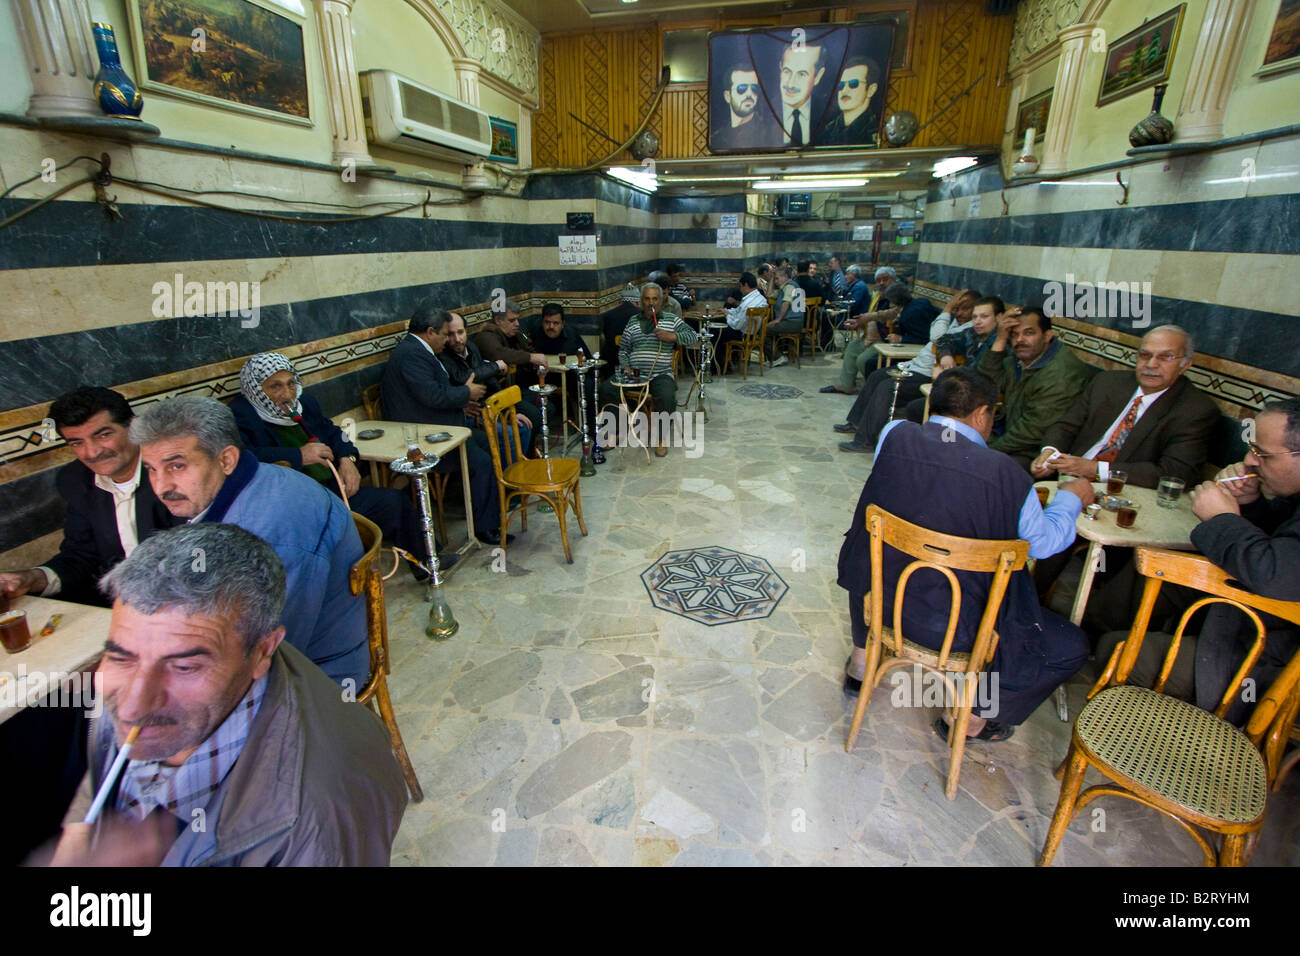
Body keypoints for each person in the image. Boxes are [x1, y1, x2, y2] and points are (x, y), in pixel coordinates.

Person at [48, 523, 407, 866]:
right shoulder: (205, 658)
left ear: (263, 652)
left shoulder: (314, 823)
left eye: (184, 667)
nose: (132, 704)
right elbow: (102, 775)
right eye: (121, 656)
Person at [838, 367, 1094, 740]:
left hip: (880, 600)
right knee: (1071, 645)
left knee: (871, 548)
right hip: (956, 627)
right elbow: (1043, 543)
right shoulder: (1007, 474)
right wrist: (1072, 498)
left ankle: (861, 666)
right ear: (981, 414)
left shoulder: (894, 435)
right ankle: (969, 718)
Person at [131, 396, 368, 688]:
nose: (161, 486)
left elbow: (266, 651)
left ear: (226, 459)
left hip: (316, 676)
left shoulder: (272, 534)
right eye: (151, 469)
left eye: (177, 466)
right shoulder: (241, 486)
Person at [1094, 399, 1300, 726]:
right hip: (1244, 615)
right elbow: (1278, 544)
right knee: (1149, 582)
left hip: (1268, 660)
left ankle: (1156, 750)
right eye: (1251, 448)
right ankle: (1089, 632)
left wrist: (1222, 518)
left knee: (1118, 653)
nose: (1249, 460)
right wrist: (1251, 504)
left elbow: (1274, 573)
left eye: (1263, 454)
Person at [228, 353, 456, 579]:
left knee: (393, 502)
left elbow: (336, 433)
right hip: (292, 506)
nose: (286, 394)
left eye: (290, 384)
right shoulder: (243, 415)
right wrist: (298, 455)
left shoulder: (303, 403)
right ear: (256, 389)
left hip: (332, 491)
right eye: (275, 387)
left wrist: (348, 460)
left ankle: (428, 562)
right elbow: (245, 458)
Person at [1, 387, 177, 606]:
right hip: (117, 606)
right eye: (77, 442)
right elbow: (80, 555)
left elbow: (200, 555)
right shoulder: (75, 480)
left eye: (103, 435)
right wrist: (30, 579)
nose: (92, 453)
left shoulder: (174, 470)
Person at [381, 301, 511, 546]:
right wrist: (466, 393)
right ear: (430, 332)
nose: (446, 340)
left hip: (443, 425)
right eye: (443, 334)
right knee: (482, 462)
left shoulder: (420, 352)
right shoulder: (411, 355)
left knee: (494, 441)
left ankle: (497, 503)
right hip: (424, 439)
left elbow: (432, 393)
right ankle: (485, 526)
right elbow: (433, 395)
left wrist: (461, 402)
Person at [1030, 325, 1216, 489]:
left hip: (1120, 493)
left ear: (1185, 365)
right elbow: (1066, 425)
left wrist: (1095, 469)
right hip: (1065, 477)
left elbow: (1174, 473)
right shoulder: (1108, 382)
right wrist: (1050, 452)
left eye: (1165, 357)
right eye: (1144, 355)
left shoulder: (1195, 410)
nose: (1151, 364)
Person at [835, 289, 978, 453]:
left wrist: (947, 309)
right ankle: (856, 423)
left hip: (927, 375)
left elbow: (937, 337)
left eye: (965, 309)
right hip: (915, 366)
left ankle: (865, 441)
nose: (959, 312)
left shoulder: (969, 328)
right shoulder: (956, 322)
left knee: (887, 387)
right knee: (876, 375)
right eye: (957, 308)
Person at [976, 306, 1098, 469]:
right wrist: (1000, 339)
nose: (1019, 340)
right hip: (1008, 435)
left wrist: (986, 451)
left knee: (978, 467)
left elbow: (1030, 432)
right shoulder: (1021, 359)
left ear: (1047, 336)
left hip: (1036, 453)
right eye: (1014, 334)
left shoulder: (1061, 374)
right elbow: (985, 385)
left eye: (1029, 333)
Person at [598, 282, 698, 457]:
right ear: (641, 301)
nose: (651, 303)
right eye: (647, 299)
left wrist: (672, 336)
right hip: (633, 375)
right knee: (607, 388)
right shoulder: (633, 321)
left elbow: (693, 336)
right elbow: (623, 350)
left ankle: (660, 438)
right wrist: (626, 366)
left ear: (661, 300)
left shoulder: (671, 319)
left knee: (667, 394)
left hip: (660, 374)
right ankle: (615, 432)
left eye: (655, 299)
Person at [441, 311, 536, 451]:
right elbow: (462, 377)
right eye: (450, 334)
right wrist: (495, 366)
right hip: (465, 413)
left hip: (485, 406)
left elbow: (490, 381)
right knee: (509, 433)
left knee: (523, 426)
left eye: (460, 332)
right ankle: (504, 472)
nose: (457, 339)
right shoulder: (443, 354)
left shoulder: (471, 347)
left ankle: (519, 467)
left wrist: (506, 411)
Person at [902, 294, 1002, 422]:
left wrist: (949, 378)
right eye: (975, 317)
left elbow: (982, 377)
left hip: (977, 398)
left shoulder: (1000, 344)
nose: (977, 321)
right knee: (915, 407)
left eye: (984, 317)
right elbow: (943, 339)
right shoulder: (972, 334)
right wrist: (945, 355)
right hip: (963, 389)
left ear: (999, 317)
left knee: (918, 408)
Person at [824, 279, 926, 396]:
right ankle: (846, 385)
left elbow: (923, 338)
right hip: (874, 337)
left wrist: (901, 339)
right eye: (878, 280)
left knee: (864, 361)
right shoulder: (897, 304)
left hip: (885, 341)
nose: (881, 283)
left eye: (885, 279)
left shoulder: (912, 311)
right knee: (853, 346)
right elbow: (883, 315)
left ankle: (872, 389)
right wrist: (862, 320)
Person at [474, 298, 548, 393]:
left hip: (521, 385)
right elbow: (500, 354)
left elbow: (528, 349)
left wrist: (536, 363)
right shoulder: (486, 337)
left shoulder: (514, 333)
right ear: (498, 320)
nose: (517, 324)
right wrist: (530, 357)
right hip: (499, 391)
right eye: (512, 320)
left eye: (517, 319)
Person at [815, 55, 881, 147]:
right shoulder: (826, 131)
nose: (844, 91)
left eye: (853, 84)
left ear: (871, 90)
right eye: (841, 85)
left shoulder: (878, 129)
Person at [712, 61, 776, 150]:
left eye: (754, 88)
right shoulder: (716, 139)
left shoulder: (769, 133)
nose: (749, 94)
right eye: (742, 88)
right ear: (727, 96)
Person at [775, 40, 825, 146]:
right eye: (787, 71)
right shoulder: (763, 112)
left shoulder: (829, 114)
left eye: (802, 74)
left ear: (818, 76)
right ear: (780, 69)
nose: (791, 83)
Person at [719, 271, 768, 357]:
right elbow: (738, 311)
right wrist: (727, 311)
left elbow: (737, 325)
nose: (740, 289)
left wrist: (727, 315)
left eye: (740, 286)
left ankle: (721, 365)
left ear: (745, 285)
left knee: (717, 333)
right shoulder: (760, 298)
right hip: (753, 333)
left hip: (743, 335)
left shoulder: (748, 304)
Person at [766, 265, 805, 367]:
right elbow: (769, 295)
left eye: (777, 278)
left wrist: (778, 320)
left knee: (763, 330)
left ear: (785, 277)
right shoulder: (785, 287)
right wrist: (771, 279)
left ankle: (777, 357)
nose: (776, 281)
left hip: (792, 322)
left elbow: (786, 303)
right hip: (795, 322)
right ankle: (778, 355)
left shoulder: (789, 286)